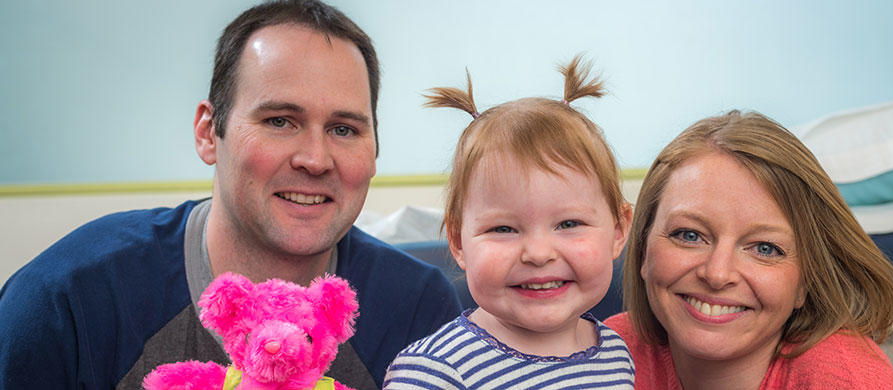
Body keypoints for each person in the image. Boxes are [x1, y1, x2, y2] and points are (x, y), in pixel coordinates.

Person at [0, 1, 461, 389]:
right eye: (280, 120)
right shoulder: (69, 298)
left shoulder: (419, 310)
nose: (316, 159)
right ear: (207, 132)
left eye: (344, 129)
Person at [382, 56, 636, 389]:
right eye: (503, 229)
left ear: (618, 230)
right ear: (458, 242)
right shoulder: (435, 372)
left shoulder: (616, 354)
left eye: (569, 224)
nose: (539, 253)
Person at [604, 111, 893, 389]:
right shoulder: (605, 353)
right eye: (690, 235)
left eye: (765, 248)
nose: (717, 274)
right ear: (643, 247)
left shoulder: (845, 379)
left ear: (805, 282)